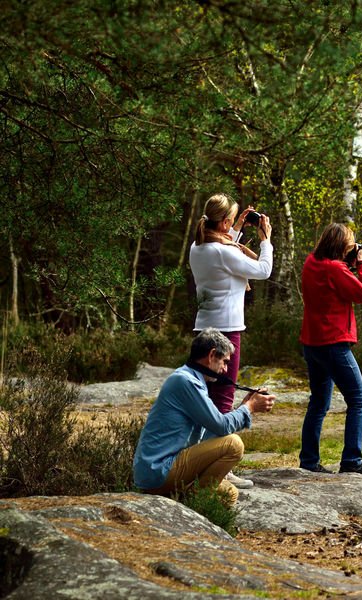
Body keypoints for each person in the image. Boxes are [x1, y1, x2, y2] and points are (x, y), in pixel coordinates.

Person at [133, 328, 275, 505]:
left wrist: (244, 405)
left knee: (228, 493)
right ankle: (195, 502)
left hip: (166, 467)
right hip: (160, 470)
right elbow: (221, 426)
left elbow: (211, 432)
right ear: (211, 355)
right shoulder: (185, 381)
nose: (225, 369)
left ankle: (186, 499)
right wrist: (250, 407)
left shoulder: (192, 380)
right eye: (224, 362)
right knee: (234, 445)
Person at [189, 193, 272, 488]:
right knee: (223, 399)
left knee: (204, 397)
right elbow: (263, 270)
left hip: (203, 329)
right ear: (223, 223)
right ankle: (219, 466)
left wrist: (235, 227)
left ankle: (198, 457)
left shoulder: (197, 247)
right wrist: (265, 239)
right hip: (227, 331)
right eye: (231, 220)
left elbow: (224, 252)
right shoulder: (225, 252)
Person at [298, 223, 362, 477]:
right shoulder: (335, 268)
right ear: (339, 246)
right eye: (350, 241)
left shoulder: (312, 261)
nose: (353, 244)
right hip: (333, 344)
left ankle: (309, 461)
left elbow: (337, 283)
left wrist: (350, 263)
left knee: (319, 403)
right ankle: (351, 460)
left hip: (311, 343)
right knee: (358, 399)